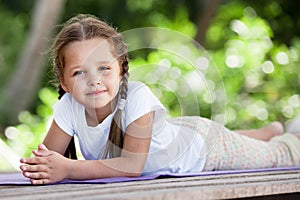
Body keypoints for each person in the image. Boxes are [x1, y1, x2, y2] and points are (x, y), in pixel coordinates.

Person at [20, 14, 300, 185]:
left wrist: (68, 167)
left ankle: (283, 136)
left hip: (205, 150)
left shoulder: (137, 96)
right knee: (244, 137)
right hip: (179, 132)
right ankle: (268, 131)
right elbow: (46, 160)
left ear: (121, 69)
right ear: (65, 83)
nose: (93, 80)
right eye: (79, 72)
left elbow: (132, 166)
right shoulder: (69, 106)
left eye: (103, 68)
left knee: (280, 155)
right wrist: (43, 166)